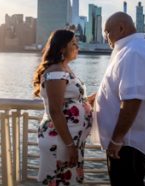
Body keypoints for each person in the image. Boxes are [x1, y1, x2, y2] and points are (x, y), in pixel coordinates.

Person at [93, 12, 145, 185]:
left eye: (107, 32)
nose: (106, 37)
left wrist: (116, 139)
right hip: (126, 141)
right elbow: (121, 89)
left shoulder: (134, 51)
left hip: (128, 144)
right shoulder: (130, 49)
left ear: (121, 28)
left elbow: (132, 100)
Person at [33, 29, 92, 185]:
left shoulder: (64, 69)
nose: (77, 47)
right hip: (60, 140)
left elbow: (78, 101)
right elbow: (55, 111)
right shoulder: (56, 72)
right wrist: (70, 146)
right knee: (60, 181)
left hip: (69, 140)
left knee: (68, 181)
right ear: (61, 48)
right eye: (73, 43)